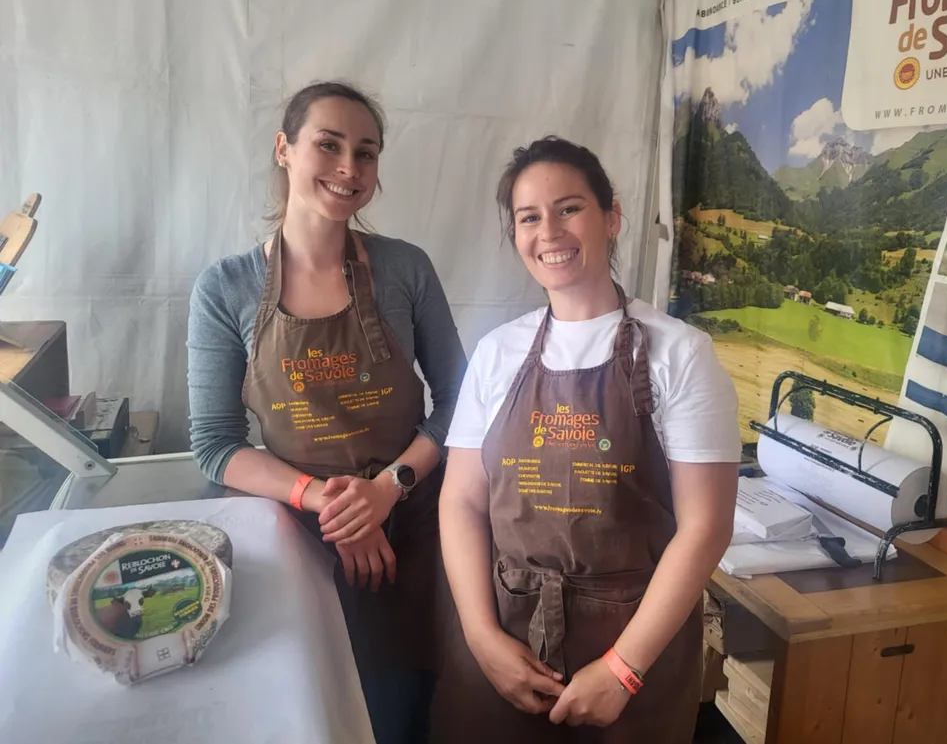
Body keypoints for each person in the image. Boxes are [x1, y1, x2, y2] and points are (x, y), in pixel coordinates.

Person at [432, 137, 741, 742]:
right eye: (529, 217)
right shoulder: (497, 352)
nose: (549, 231)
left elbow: (706, 527)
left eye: (569, 208)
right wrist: (481, 637)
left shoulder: (680, 353)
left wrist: (623, 668)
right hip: (506, 638)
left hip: (633, 650)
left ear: (612, 217)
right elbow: (462, 500)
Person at [187, 81, 467, 744]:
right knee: (308, 709)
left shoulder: (405, 269)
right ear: (284, 148)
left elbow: (463, 402)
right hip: (294, 534)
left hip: (413, 523)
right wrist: (332, 505)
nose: (349, 168)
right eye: (329, 145)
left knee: (403, 708)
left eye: (365, 152)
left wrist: (386, 489)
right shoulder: (224, 288)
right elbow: (216, 445)